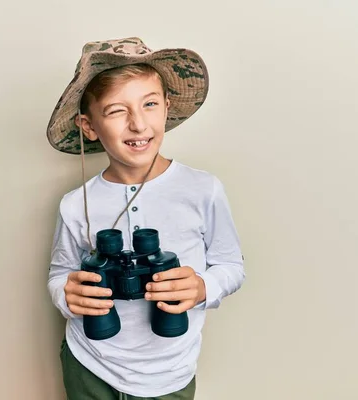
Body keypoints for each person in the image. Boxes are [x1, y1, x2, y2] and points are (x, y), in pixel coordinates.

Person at [46, 37, 245, 399]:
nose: (138, 125)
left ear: (167, 108)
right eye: (116, 111)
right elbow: (60, 274)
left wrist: (201, 287)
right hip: (90, 364)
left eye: (149, 104)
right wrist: (66, 295)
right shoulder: (75, 204)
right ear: (88, 126)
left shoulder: (202, 190)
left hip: (168, 373)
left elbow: (230, 265)